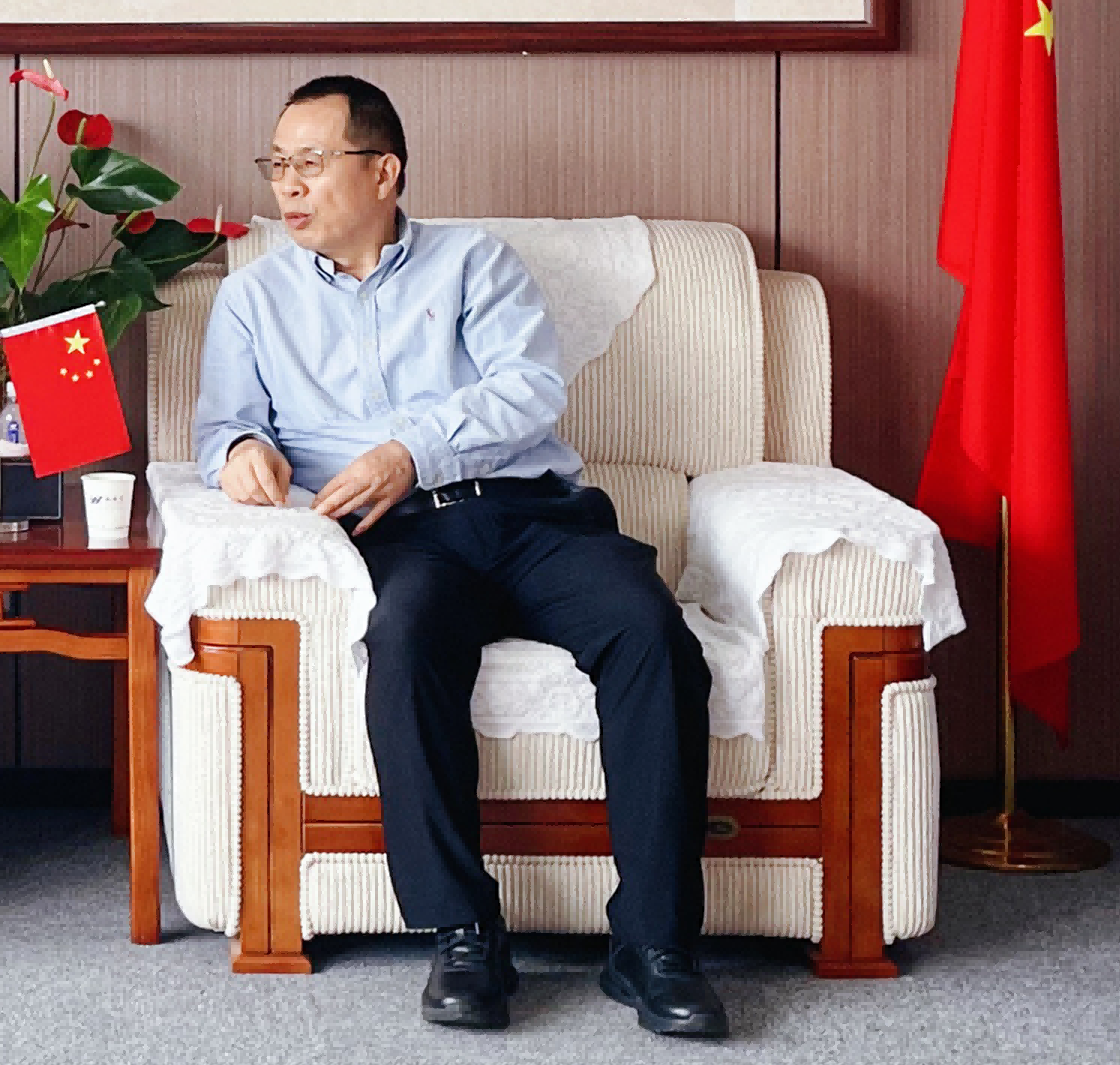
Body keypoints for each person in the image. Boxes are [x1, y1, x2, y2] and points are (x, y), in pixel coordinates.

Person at [194, 75, 725, 1038]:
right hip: (397, 537)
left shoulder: (476, 263)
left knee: (650, 632)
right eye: (277, 165)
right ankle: (464, 933)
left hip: (531, 516)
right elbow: (222, 424)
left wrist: (410, 451)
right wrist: (238, 453)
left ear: (383, 171)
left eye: (310, 163)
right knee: (403, 641)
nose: (287, 186)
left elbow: (527, 389)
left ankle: (654, 945)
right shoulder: (251, 297)